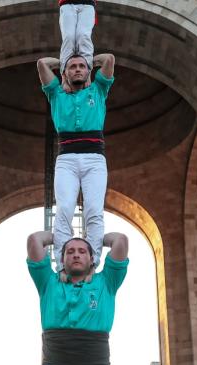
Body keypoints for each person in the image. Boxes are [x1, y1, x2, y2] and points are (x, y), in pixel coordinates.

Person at [37, 53, 115, 274]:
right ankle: (62, 265)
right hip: (67, 160)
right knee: (64, 210)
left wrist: (89, 61)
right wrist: (64, 62)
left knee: (94, 210)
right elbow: (42, 64)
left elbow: (109, 59)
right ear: (65, 74)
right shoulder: (56, 94)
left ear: (88, 71)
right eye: (73, 67)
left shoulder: (98, 90)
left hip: (94, 160)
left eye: (82, 67)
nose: (78, 69)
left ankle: (93, 263)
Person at [26, 231, 129, 365]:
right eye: (70, 251)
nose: (76, 255)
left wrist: (95, 239)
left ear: (92, 258)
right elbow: (34, 240)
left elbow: (121, 240)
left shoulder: (106, 282)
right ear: (62, 259)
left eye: (82, 251)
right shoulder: (48, 281)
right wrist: (60, 237)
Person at [58, 0, 97, 74]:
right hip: (67, 3)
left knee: (83, 35)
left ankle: (87, 71)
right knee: (68, 37)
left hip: (88, 4)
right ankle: (64, 72)